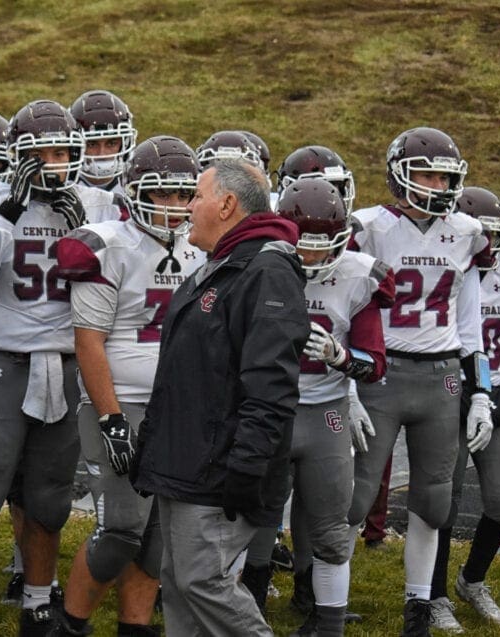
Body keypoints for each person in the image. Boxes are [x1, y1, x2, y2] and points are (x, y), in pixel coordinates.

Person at [0, 98, 127, 637]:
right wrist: (10, 213)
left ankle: (37, 602)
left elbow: (111, 283)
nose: (53, 164)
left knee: (49, 498)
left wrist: (85, 232)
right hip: (1, 363)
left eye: (62, 153)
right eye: (41, 154)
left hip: (63, 365)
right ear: (18, 157)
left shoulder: (98, 205)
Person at [131, 158, 309, 637]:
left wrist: (247, 466)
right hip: (187, 463)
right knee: (179, 585)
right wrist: (153, 442)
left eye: (196, 196)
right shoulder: (221, 265)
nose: (188, 207)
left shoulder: (265, 271)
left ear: (227, 204)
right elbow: (184, 373)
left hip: (219, 470)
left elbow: (270, 387)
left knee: (202, 581)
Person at [53, 135, 205, 637]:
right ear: (134, 190)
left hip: (177, 409)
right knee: (121, 530)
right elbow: (88, 341)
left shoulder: (202, 249)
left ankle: (134, 629)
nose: (174, 206)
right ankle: (69, 625)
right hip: (122, 403)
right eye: (162, 194)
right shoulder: (106, 244)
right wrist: (111, 417)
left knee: (158, 537)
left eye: (183, 195)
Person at [346, 127, 492, 637]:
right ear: (399, 176)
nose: (436, 185)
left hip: (441, 377)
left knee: (433, 499)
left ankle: (418, 610)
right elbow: (343, 303)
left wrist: (481, 394)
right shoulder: (368, 226)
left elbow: (471, 325)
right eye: (426, 173)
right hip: (380, 372)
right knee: (354, 497)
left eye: (444, 176)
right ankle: (326, 604)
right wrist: (347, 380)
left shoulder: (469, 231)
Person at [272, 178, 393, 636]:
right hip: (272, 411)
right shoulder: (262, 265)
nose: (314, 258)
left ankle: (329, 625)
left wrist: (341, 358)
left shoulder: (360, 275)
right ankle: (247, 613)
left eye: (326, 248)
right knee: (256, 524)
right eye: (305, 247)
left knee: (329, 530)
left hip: (325, 412)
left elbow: (376, 363)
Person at [426, 186, 500, 632]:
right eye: (484, 236)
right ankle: (435, 594)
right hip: (444, 397)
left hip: (496, 400)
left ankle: (471, 580)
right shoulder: (444, 271)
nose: (489, 247)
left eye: (496, 236)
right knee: (444, 503)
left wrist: (493, 408)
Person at [69, 90, 135, 197]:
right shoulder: (61, 186)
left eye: (111, 143)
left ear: (125, 143)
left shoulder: (138, 184)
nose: (102, 154)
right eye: (92, 144)